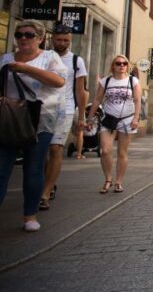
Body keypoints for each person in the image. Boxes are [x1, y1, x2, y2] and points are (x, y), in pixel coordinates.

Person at [0, 20, 67, 232]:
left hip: (40, 119)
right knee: (2, 168)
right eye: (19, 35)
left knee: (33, 167)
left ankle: (30, 215)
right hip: (9, 119)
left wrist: (26, 69)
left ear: (40, 38)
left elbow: (59, 81)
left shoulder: (50, 57)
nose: (23, 38)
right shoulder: (6, 59)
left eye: (28, 35)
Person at [39, 24, 88, 212]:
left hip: (65, 108)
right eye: (59, 40)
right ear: (52, 39)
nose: (62, 43)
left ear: (71, 40)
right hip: (43, 107)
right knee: (41, 150)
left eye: (66, 40)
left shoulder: (76, 61)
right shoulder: (43, 57)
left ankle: (45, 193)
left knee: (56, 148)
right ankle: (48, 180)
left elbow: (81, 91)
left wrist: (81, 117)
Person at [87, 54, 142, 194]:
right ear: (113, 66)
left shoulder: (133, 81)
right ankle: (108, 179)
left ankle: (119, 182)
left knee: (122, 153)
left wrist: (136, 118)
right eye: (118, 63)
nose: (121, 65)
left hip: (127, 119)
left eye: (124, 63)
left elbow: (137, 101)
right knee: (105, 150)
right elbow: (97, 99)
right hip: (108, 119)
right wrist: (90, 118)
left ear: (127, 66)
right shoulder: (106, 81)